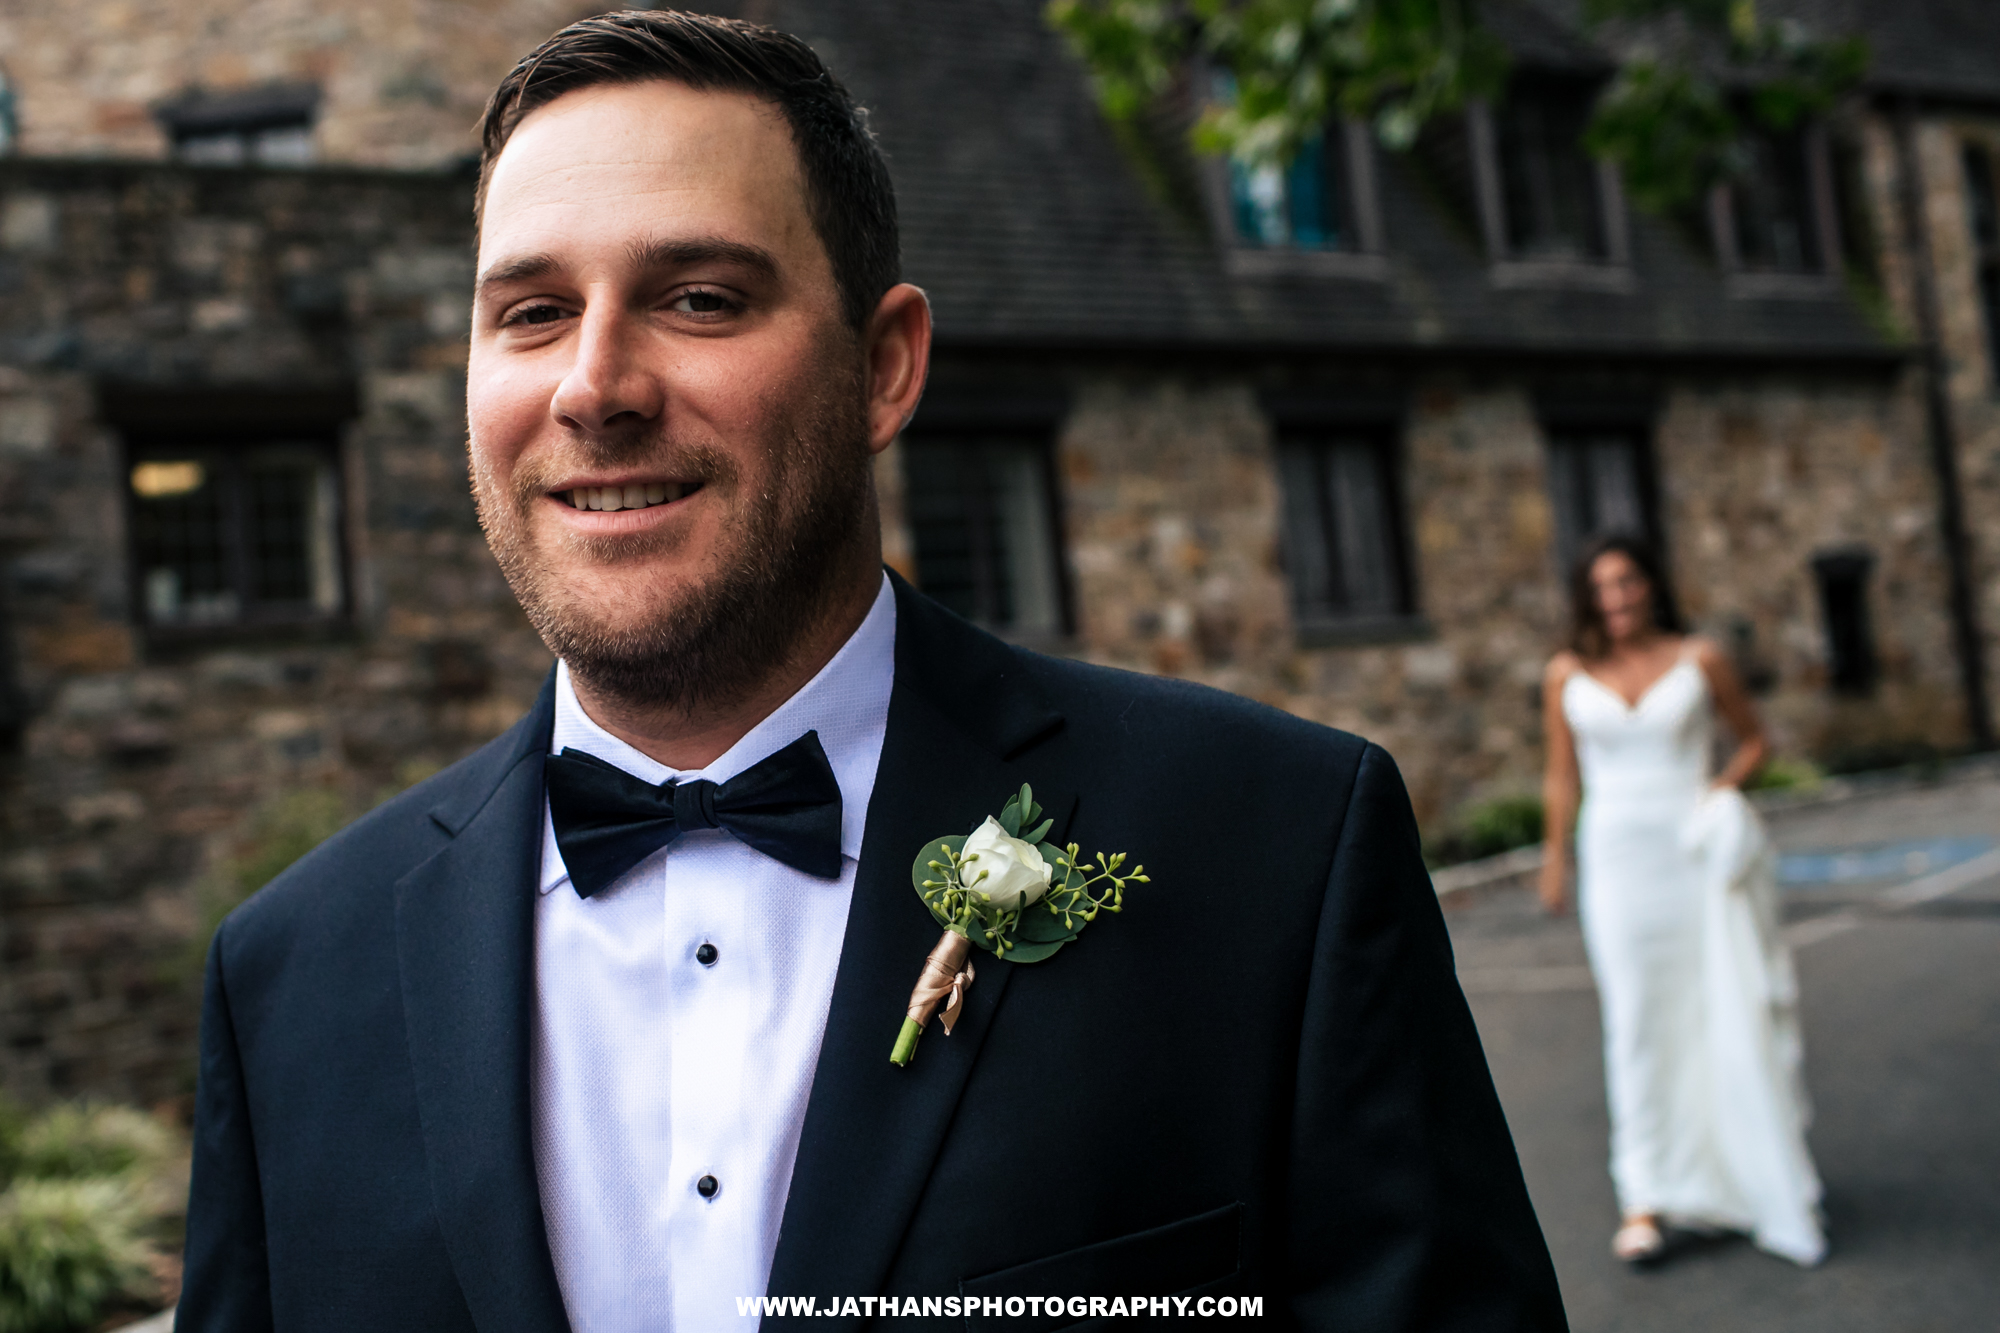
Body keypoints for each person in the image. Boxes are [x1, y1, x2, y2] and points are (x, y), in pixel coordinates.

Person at [178, 12, 1567, 1330]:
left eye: (701, 297)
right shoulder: (286, 982)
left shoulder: (1278, 855)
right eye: (531, 314)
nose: (594, 385)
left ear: (887, 366)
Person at [1539, 534, 1825, 1268]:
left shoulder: (1701, 659)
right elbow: (1562, 776)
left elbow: (1756, 741)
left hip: (1693, 856)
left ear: (1651, 585)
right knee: (1634, 1019)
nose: (1619, 598)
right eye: (1603, 586)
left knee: (1714, 1007)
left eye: (1629, 581)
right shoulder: (1566, 673)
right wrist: (1554, 856)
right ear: (1587, 597)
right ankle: (1643, 1194)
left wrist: (1720, 793)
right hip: (1617, 862)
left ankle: (1729, 1173)